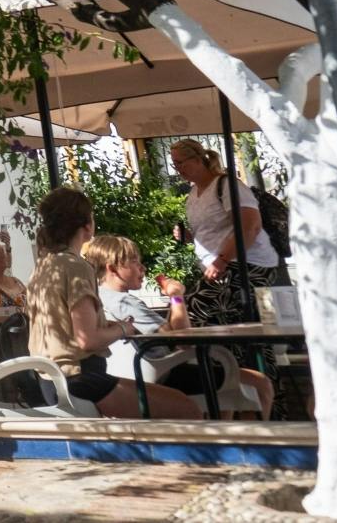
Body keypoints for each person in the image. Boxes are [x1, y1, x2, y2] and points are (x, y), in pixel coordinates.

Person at [25, 187, 201, 419]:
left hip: (49, 379)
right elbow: (87, 340)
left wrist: (106, 324)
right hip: (78, 379)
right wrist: (123, 328)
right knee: (187, 409)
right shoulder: (75, 266)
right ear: (87, 226)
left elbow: (67, 328)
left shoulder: (43, 266)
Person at [83, 233, 273, 418]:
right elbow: (182, 340)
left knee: (226, 391)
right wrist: (177, 296)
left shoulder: (97, 298)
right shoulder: (124, 302)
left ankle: (222, 441)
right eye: (134, 261)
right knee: (258, 383)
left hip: (135, 375)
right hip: (161, 377)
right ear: (113, 269)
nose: (143, 268)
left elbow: (170, 333)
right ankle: (249, 445)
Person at [169, 140, 286, 327]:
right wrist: (190, 237)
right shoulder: (193, 194)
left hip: (246, 263)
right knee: (231, 325)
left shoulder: (226, 185)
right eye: (175, 164)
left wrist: (221, 260)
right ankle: (241, 355)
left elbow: (250, 227)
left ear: (198, 159)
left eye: (180, 163)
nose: (178, 169)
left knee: (190, 311)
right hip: (221, 265)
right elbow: (214, 231)